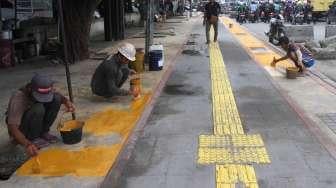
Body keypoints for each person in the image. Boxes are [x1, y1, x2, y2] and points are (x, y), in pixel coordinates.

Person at [6, 74, 75, 157]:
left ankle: (43, 132)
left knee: (56, 99)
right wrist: (27, 144)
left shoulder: (47, 88)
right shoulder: (18, 97)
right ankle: (33, 138)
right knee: (38, 108)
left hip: (35, 121)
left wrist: (67, 102)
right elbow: (12, 127)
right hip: (22, 130)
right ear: (30, 89)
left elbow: (59, 96)